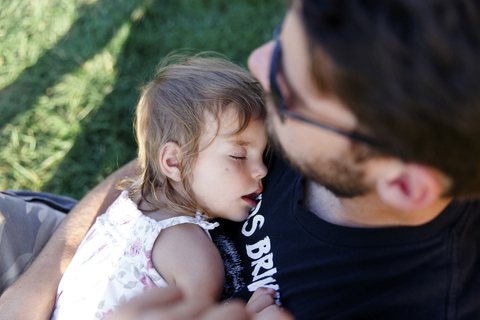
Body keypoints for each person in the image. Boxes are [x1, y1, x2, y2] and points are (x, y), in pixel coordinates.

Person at [2, 0, 480, 319]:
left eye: (291, 86)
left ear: (403, 185)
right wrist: (39, 284)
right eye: (281, 33)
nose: (256, 63)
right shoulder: (309, 131)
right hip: (98, 240)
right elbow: (158, 167)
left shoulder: (415, 301)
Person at [49, 53, 277, 320]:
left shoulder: (127, 202)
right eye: (239, 156)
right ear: (174, 162)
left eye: (263, 154)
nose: (262, 169)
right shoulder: (195, 258)